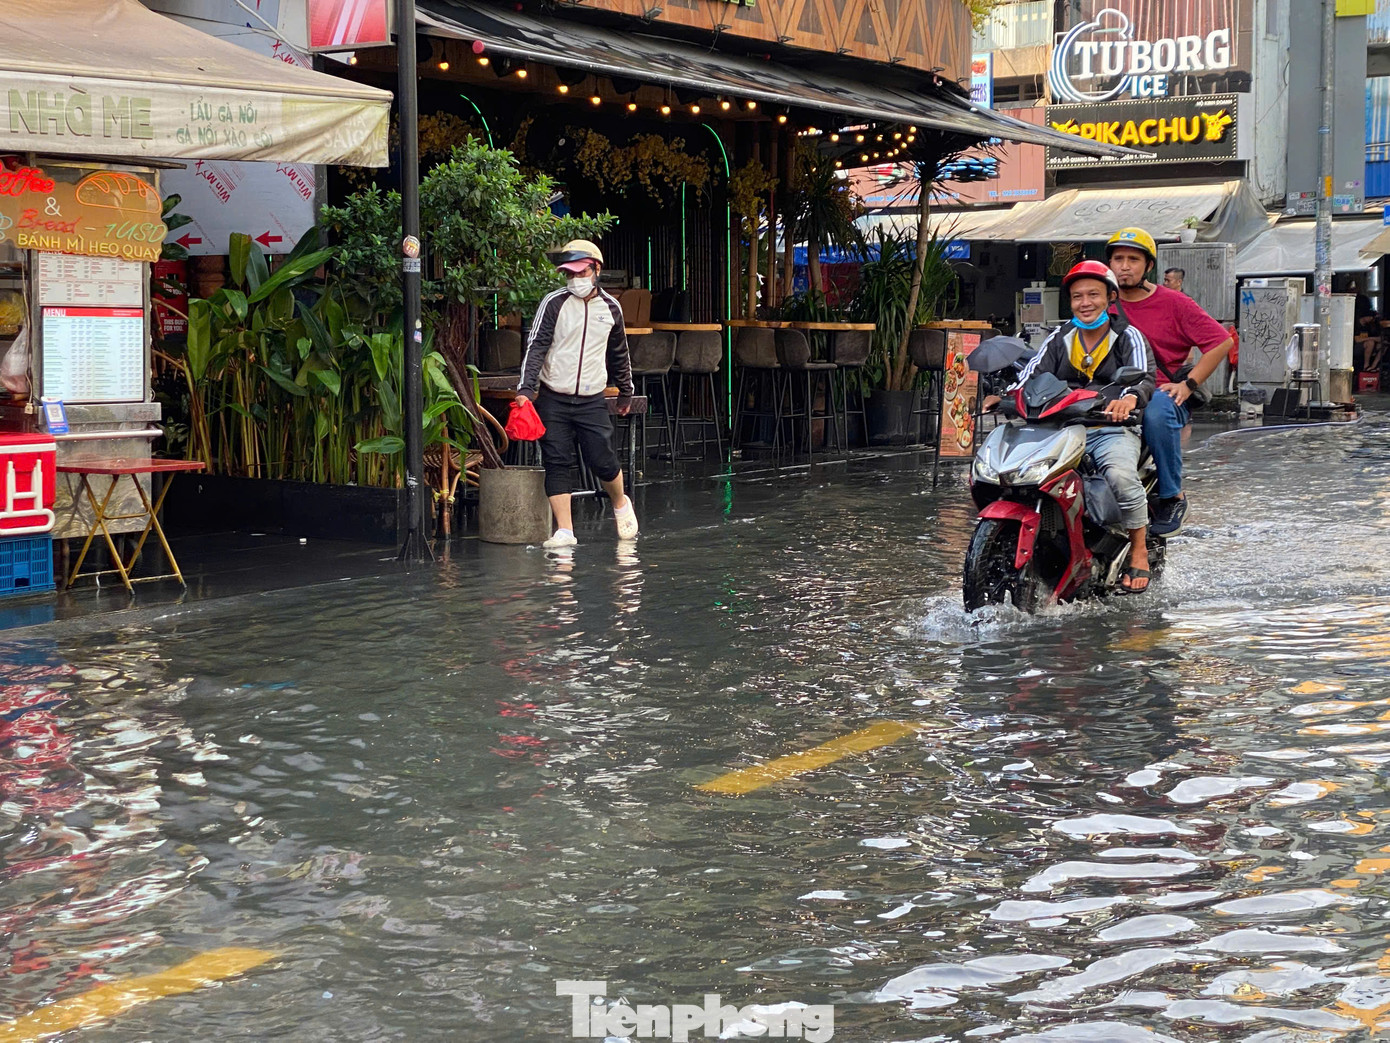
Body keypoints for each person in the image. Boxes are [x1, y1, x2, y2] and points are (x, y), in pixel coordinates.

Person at [986, 260, 1157, 593]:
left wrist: (1129, 399)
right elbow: (1030, 375)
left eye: (1093, 294)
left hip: (1107, 429)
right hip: (1060, 429)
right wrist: (1004, 397)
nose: (1085, 302)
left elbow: (1144, 376)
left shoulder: (1127, 335)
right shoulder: (1060, 336)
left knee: (1120, 477)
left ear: (1110, 297)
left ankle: (1139, 551)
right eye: (1078, 296)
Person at [1106, 227, 1232, 538]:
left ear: (1148, 266)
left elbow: (1220, 342)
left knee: (1156, 414)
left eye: (1133, 259)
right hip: (1110, 390)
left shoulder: (1175, 303)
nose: (1124, 266)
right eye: (1118, 259)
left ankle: (1173, 495)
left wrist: (1188, 384)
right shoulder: (1098, 301)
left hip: (1160, 390)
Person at [516, 239, 639, 549]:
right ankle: (565, 531)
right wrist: (526, 389)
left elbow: (619, 353)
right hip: (554, 396)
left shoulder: (611, 308)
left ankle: (620, 501)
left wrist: (626, 392)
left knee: (602, 457)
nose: (574, 280)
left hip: (592, 398)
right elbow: (537, 347)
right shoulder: (554, 303)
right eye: (569, 274)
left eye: (580, 273)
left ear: (595, 270)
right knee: (557, 460)